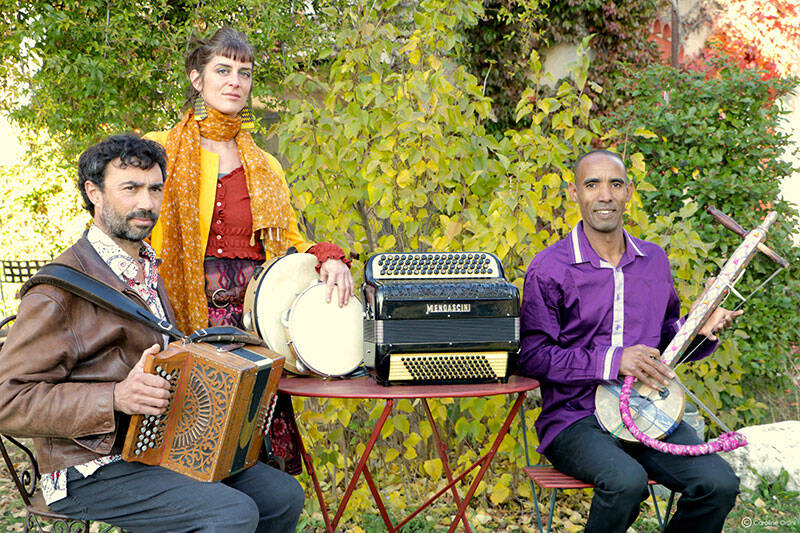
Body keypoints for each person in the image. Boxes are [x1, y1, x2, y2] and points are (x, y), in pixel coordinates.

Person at [0, 134, 304, 532]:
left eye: (155, 189)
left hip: (159, 446)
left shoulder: (148, 267)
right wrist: (113, 397)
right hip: (89, 466)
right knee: (229, 513)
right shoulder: (59, 291)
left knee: (282, 496)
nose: (146, 203)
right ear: (94, 192)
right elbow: (7, 399)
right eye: (130, 188)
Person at [519, 149, 741, 533]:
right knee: (625, 482)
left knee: (719, 483)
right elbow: (533, 357)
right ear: (574, 193)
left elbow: (669, 341)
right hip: (576, 419)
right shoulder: (549, 267)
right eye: (593, 184)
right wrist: (613, 360)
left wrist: (701, 328)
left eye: (615, 184)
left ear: (628, 192)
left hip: (649, 414)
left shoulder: (653, 260)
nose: (604, 194)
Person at [144, 26, 354, 335]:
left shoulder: (266, 166)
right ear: (197, 79)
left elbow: (289, 245)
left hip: (259, 326)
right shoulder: (159, 150)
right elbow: (133, 236)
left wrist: (328, 258)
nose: (235, 82)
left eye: (245, 73)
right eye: (223, 70)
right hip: (179, 322)